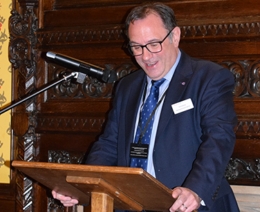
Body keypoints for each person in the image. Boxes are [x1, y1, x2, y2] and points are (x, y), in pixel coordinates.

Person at [52, 2, 240, 212]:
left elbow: (219, 138)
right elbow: (109, 144)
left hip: (186, 205)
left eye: (153, 44)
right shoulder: (127, 87)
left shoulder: (208, 78)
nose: (146, 56)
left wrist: (195, 189)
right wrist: (81, 186)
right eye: (136, 47)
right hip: (131, 204)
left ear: (174, 36)